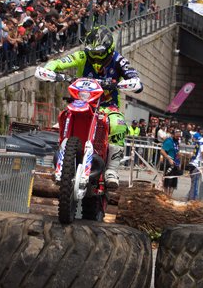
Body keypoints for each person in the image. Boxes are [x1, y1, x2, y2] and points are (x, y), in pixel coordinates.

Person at [34, 25, 143, 190]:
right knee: (64, 116)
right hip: (82, 103)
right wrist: (49, 70)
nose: (95, 57)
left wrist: (130, 82)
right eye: (92, 53)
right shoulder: (82, 55)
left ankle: (112, 170)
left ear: (109, 50)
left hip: (107, 106)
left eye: (99, 53)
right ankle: (62, 158)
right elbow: (59, 62)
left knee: (117, 124)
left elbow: (134, 77)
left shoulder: (119, 60)